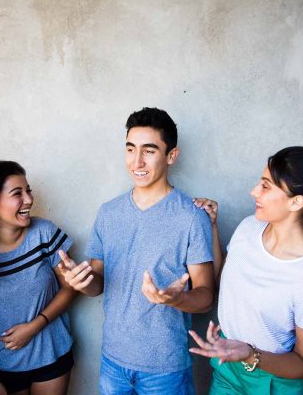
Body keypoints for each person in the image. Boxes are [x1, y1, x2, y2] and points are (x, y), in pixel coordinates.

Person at [57, 107, 215, 394]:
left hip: (165, 369)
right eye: (131, 149)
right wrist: (81, 282)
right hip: (113, 363)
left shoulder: (192, 217)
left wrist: (174, 299)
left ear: (171, 156)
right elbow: (99, 284)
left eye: (149, 150)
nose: (137, 161)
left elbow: (205, 296)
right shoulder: (108, 213)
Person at [189, 146, 303, 394]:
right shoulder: (249, 227)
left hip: (276, 384)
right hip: (227, 372)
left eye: (266, 186)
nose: (254, 191)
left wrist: (249, 353)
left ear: (296, 201)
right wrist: (212, 227)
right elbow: (224, 278)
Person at [0, 161, 77, 395]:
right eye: (17, 193)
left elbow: (70, 288)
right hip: (2, 367)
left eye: (28, 190)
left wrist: (34, 326)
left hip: (51, 355)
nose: (28, 200)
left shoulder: (44, 233)